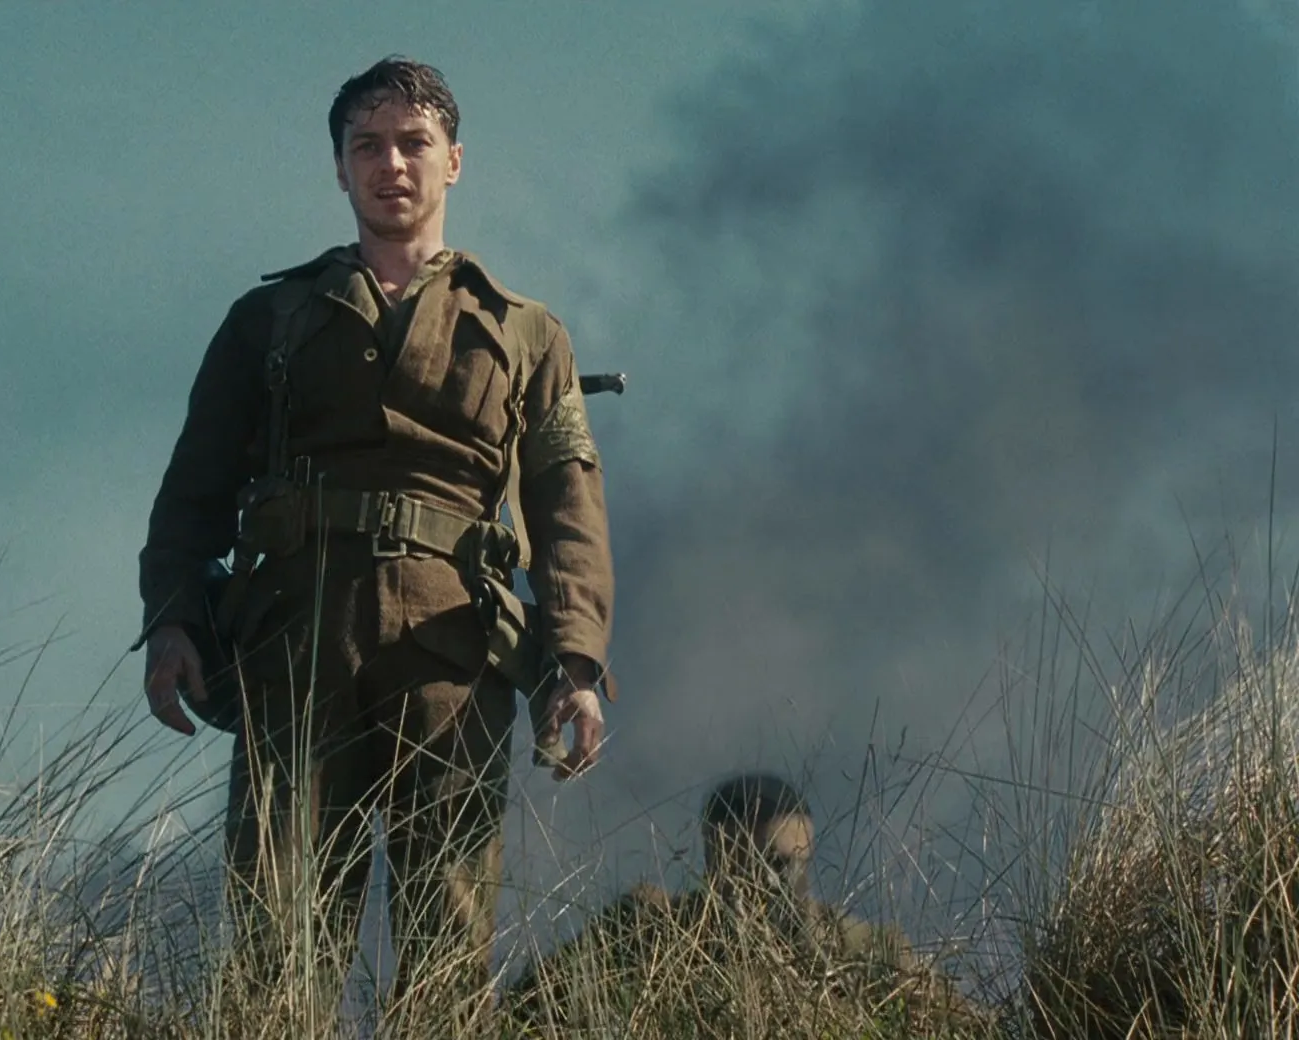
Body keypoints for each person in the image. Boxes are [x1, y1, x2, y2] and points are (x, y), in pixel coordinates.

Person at [132, 56, 615, 1028]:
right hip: (296, 640)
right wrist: (174, 619)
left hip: (452, 649)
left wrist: (576, 659)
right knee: (277, 929)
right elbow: (193, 490)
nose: (391, 163)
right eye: (368, 145)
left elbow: (568, 505)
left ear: (454, 161)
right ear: (340, 168)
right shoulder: (269, 321)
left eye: (413, 143)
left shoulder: (526, 334)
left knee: (449, 932)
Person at [506, 773, 982, 1033]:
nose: (782, 882)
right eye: (765, 864)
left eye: (794, 864)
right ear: (717, 860)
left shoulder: (860, 947)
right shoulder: (651, 929)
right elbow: (527, 1007)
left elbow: (966, 1024)